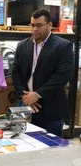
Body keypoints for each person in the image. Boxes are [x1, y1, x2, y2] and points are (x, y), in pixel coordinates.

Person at [12, 9, 74, 137]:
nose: (34, 29)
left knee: (51, 150)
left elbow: (63, 76)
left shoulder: (63, 46)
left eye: (39, 25)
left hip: (51, 108)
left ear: (49, 25)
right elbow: (16, 73)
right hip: (25, 105)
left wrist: (37, 94)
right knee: (23, 145)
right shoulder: (22, 45)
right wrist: (26, 97)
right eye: (32, 25)